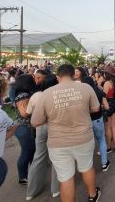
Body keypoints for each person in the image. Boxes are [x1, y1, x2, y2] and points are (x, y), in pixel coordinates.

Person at [31, 64, 101, 202]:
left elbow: (35, 121)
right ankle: (93, 196)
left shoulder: (46, 94)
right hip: (83, 138)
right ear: (74, 75)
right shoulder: (86, 88)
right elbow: (96, 108)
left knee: (65, 177)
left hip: (58, 143)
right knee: (86, 167)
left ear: (58, 77)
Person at [25, 74, 60, 200]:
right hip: (54, 127)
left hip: (39, 127)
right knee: (56, 156)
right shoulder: (57, 95)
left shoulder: (35, 96)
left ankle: (31, 191)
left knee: (38, 157)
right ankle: (55, 189)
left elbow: (27, 113)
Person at [81, 76, 110, 172]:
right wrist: (100, 106)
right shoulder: (99, 92)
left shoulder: (80, 94)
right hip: (98, 119)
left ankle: (87, 167)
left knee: (88, 144)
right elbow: (107, 107)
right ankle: (104, 163)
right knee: (101, 140)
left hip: (85, 122)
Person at [13, 74, 37, 185]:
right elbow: (24, 114)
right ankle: (23, 177)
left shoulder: (26, 94)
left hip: (28, 127)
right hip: (24, 128)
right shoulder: (22, 96)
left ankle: (32, 174)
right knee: (26, 152)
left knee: (31, 151)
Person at [103, 65, 115, 153]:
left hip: (109, 104)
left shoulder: (107, 83)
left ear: (107, 73)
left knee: (108, 127)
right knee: (114, 125)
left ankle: (109, 147)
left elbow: (104, 96)